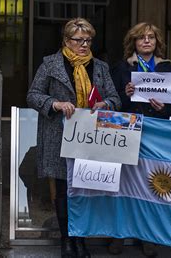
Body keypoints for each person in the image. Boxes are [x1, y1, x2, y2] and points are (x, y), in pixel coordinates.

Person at [26, 17, 121, 258]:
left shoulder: (100, 67)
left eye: (88, 40)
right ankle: (67, 240)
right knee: (62, 190)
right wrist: (54, 103)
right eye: (79, 40)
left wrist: (105, 103)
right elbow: (33, 95)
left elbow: (115, 98)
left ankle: (81, 239)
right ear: (66, 40)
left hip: (90, 138)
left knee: (84, 191)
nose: (84, 45)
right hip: (59, 136)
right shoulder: (50, 64)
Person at [110, 22, 171, 257]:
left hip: (156, 133)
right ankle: (118, 235)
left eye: (151, 37)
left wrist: (164, 107)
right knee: (122, 184)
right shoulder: (122, 67)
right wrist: (126, 94)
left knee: (150, 185)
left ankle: (147, 237)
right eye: (141, 37)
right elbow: (111, 100)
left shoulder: (167, 67)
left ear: (157, 42)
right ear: (133, 42)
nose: (146, 41)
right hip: (127, 131)